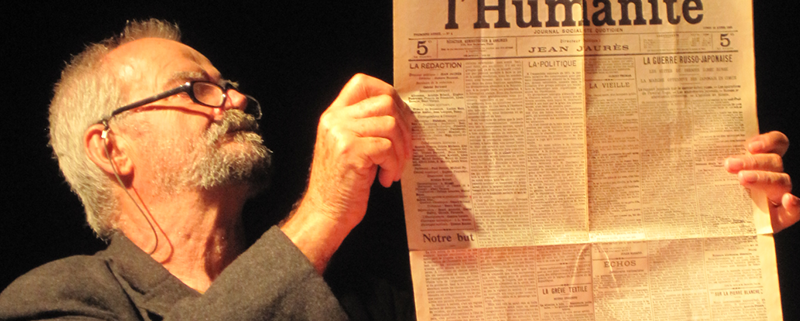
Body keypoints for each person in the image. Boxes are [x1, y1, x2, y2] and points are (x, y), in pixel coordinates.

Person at [0, 18, 796, 320]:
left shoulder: (364, 303)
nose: (235, 96)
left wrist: (721, 228)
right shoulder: (54, 299)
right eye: (197, 88)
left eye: (231, 82)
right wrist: (320, 216)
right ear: (110, 146)